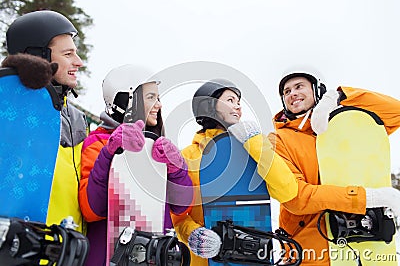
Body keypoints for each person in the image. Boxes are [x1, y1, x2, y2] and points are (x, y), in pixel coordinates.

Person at [269, 69, 400, 265]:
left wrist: (339, 96)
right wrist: (367, 198)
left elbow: (395, 112)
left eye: (299, 87)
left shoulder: (345, 127)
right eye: (286, 92)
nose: (292, 94)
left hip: (363, 248)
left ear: (316, 89)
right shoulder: (278, 139)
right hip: (309, 251)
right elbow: (297, 197)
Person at [171, 79, 299, 265]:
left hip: (253, 254)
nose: (238, 107)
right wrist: (193, 234)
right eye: (230, 100)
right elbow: (178, 215)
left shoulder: (254, 148)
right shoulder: (188, 157)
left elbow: (287, 190)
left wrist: (254, 142)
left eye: (239, 102)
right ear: (208, 106)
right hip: (205, 260)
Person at [78, 64, 193, 266]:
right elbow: (92, 209)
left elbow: (182, 208)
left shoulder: (158, 148)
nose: (159, 105)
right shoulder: (98, 143)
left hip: (154, 255)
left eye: (158, 98)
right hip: (107, 256)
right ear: (127, 100)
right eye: (151, 98)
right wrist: (109, 154)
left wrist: (177, 170)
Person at [5, 10, 88, 232]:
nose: (78, 62)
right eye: (68, 54)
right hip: (20, 245)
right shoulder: (9, 109)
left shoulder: (78, 119)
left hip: (67, 247)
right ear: (37, 56)